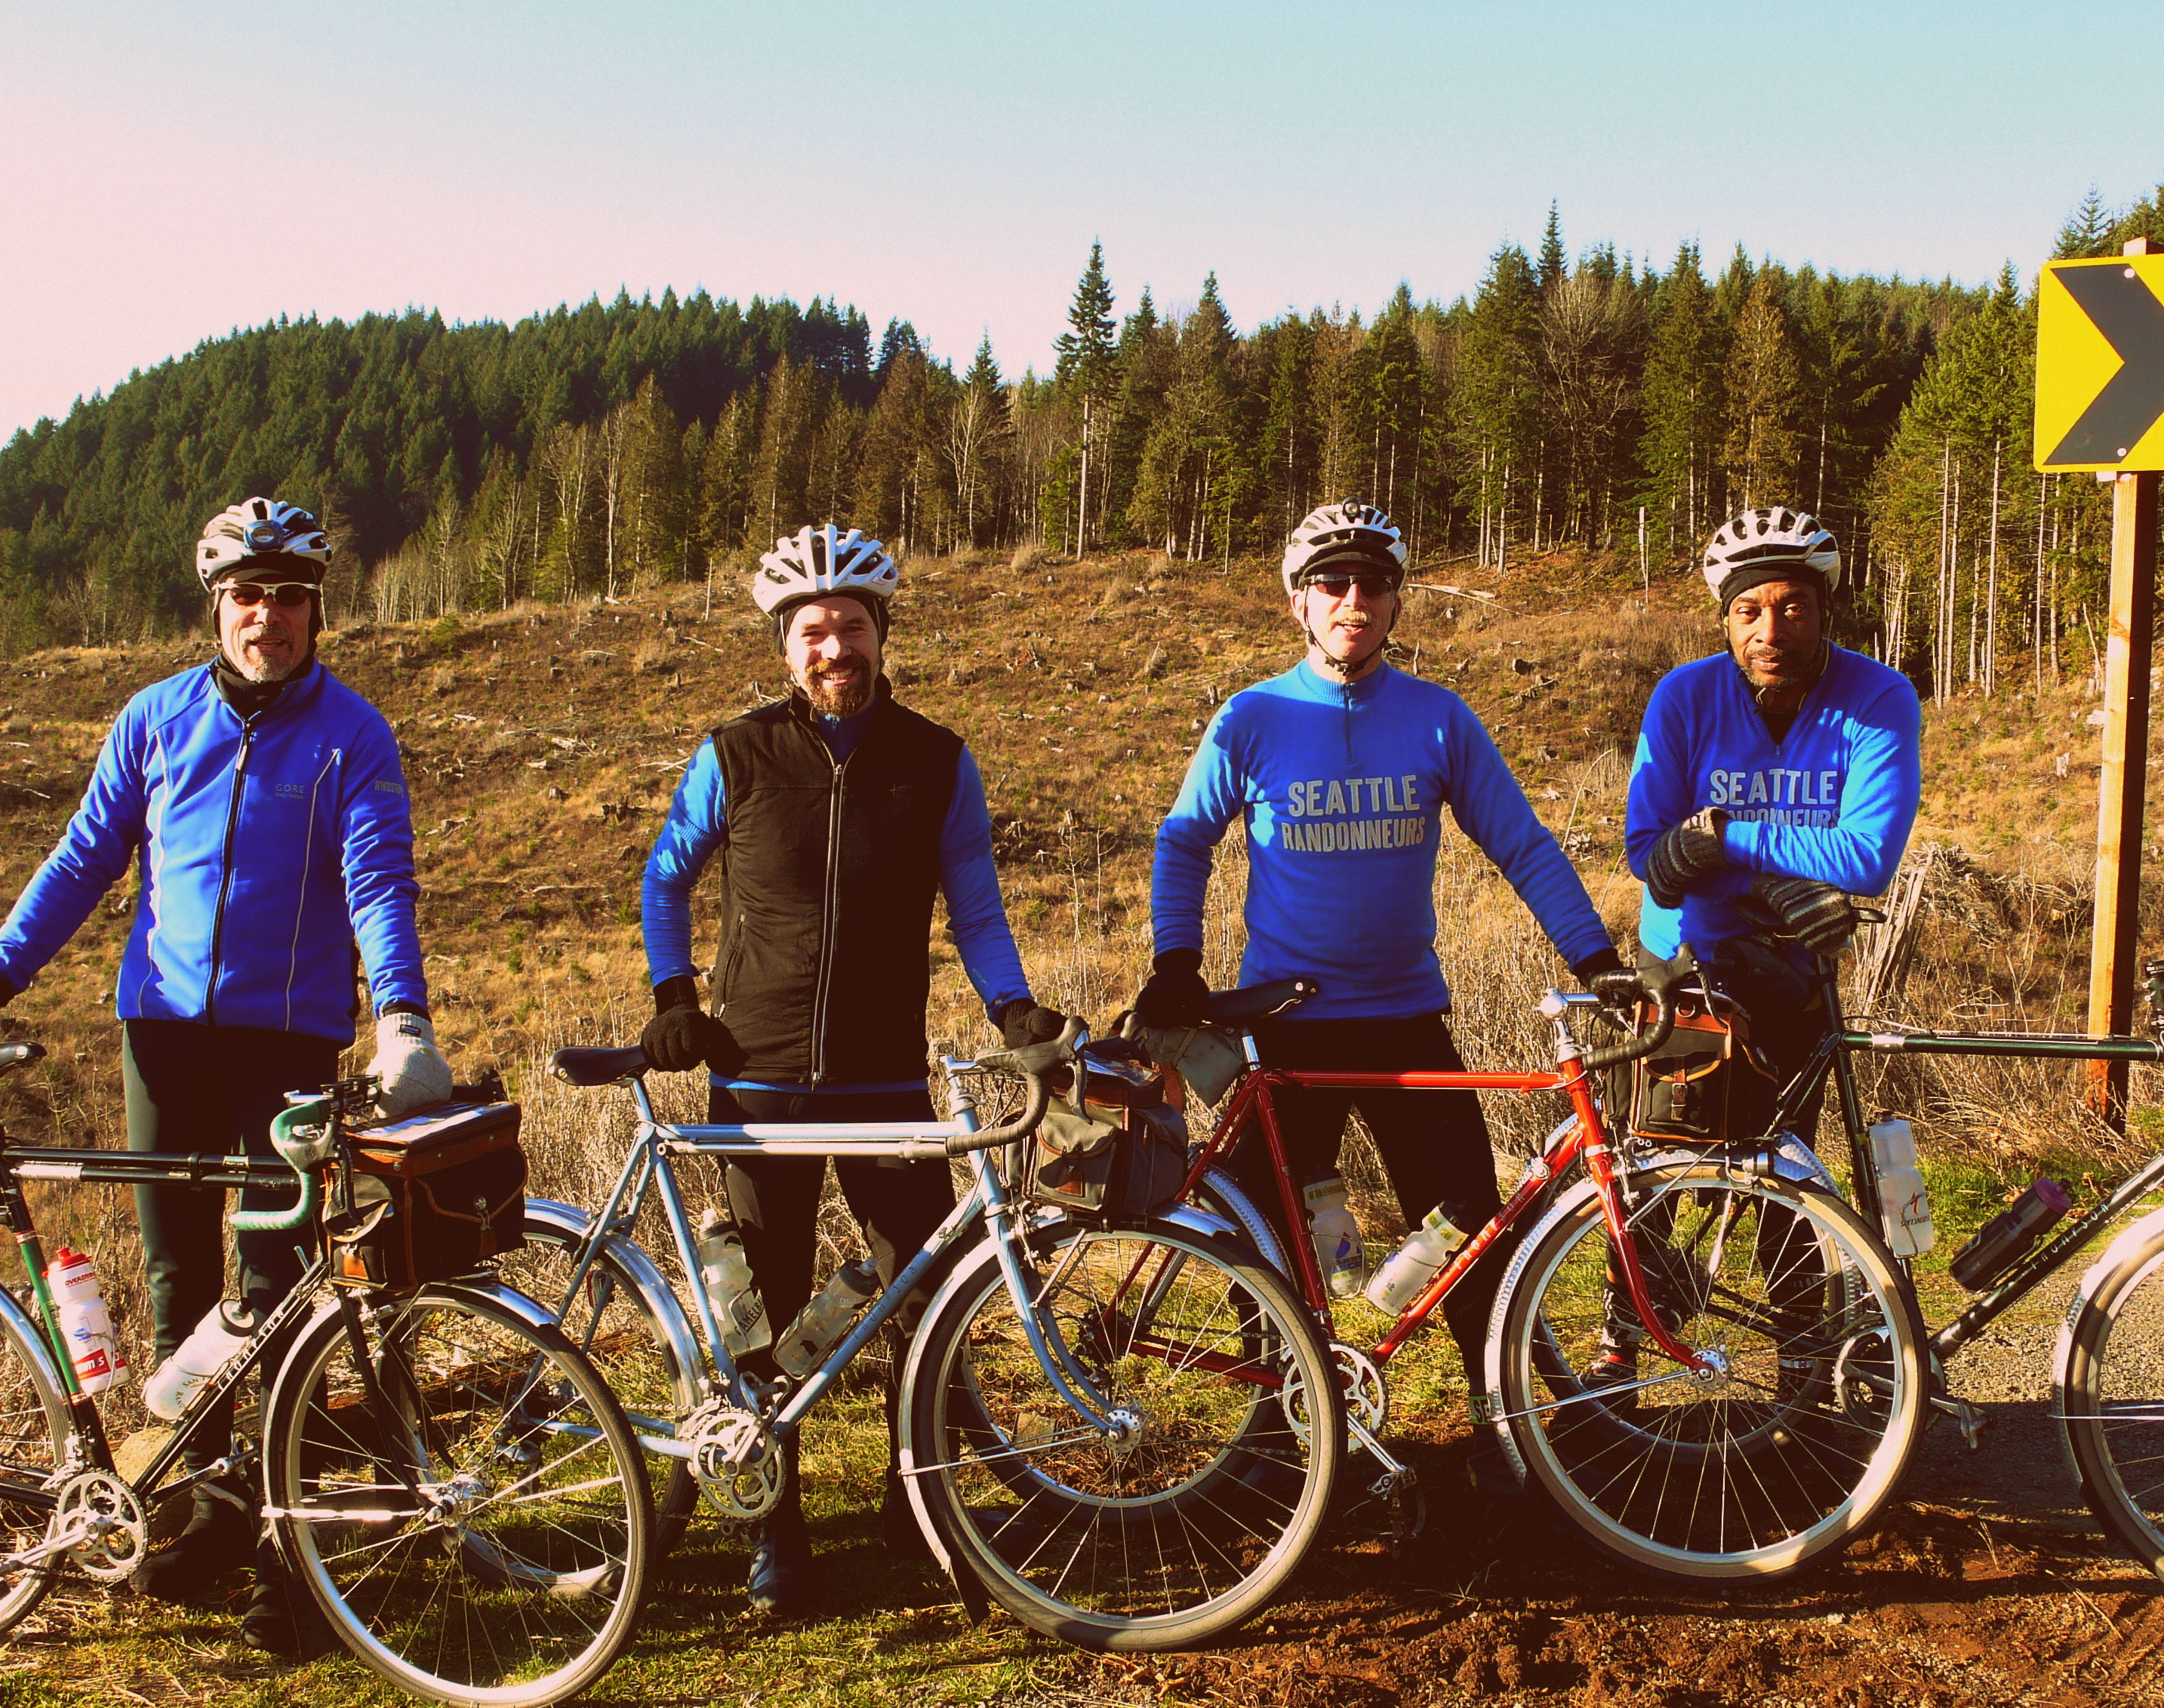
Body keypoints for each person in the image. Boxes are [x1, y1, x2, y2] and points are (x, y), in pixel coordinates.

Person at [0, 496, 451, 1654]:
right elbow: (83, 857)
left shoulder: (353, 734)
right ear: (216, 605)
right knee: (181, 1286)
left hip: (286, 1046)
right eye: (246, 595)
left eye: (288, 596)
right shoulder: (155, 717)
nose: (267, 616)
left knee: (272, 1298)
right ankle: (206, 1512)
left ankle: (294, 1553)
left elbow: (379, 880)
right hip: (163, 1039)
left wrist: (403, 1021)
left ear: (315, 607)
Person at [1134, 499, 1634, 1450]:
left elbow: (1522, 845)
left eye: (1372, 584)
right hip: (1286, 1024)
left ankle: (1502, 1430)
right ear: (1298, 601)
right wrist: (1175, 960)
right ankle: (1284, 1437)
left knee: (1471, 1234)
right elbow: (1184, 839)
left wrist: (1595, 958)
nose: (1352, 601)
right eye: (1331, 584)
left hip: (1406, 1020)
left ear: (1397, 602)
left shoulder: (1437, 718)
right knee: (1264, 1248)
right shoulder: (1253, 718)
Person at [636, 522, 1061, 1615]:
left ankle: (918, 1502)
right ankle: (775, 1529)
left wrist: (1011, 1006)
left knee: (918, 1291)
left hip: (883, 1079)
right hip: (756, 1082)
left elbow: (975, 906)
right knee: (764, 1313)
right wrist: (674, 996)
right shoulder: (735, 754)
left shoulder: (936, 758)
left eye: (854, 627)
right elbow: (665, 877)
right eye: (814, 631)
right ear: (785, 647)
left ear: (882, 634)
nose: (836, 648)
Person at [1609, 505, 1921, 1377]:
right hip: (1684, 969)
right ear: (1725, 618)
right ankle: (1620, 1349)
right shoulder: (1684, 697)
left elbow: (1864, 858)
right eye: (1748, 610)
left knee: (1791, 1177)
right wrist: (1777, 880)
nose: (1770, 630)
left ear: (1824, 610)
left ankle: (1801, 1365)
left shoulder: (1876, 698)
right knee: (1657, 1166)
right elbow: (1651, 855)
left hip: (1792, 969)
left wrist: (1724, 837)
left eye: (1792, 608)